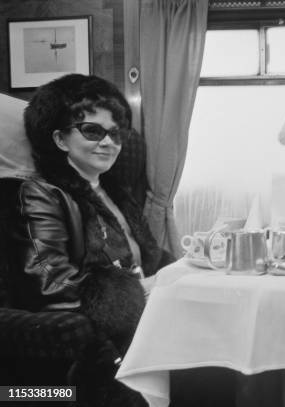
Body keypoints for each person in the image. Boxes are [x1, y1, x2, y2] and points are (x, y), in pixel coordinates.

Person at [10, 74, 173, 406]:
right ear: (59, 139)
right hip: (89, 347)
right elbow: (50, 284)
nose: (108, 142)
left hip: (145, 320)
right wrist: (140, 289)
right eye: (92, 131)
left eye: (114, 133)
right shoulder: (38, 193)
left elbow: (147, 260)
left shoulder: (115, 190)